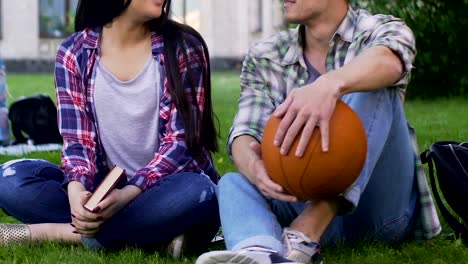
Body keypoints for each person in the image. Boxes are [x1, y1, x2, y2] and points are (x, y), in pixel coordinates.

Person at [196, 0, 441, 263]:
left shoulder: (380, 31)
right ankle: (260, 252)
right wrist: (253, 166)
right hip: (299, 201)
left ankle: (310, 228)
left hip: (379, 211)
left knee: (374, 85)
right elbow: (245, 132)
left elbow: (390, 62)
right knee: (234, 183)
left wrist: (330, 85)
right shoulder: (265, 55)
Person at [0, 0, 220, 258]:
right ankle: (152, 235)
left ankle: (56, 232)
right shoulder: (74, 52)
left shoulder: (183, 46)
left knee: (198, 190)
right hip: (103, 192)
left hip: (171, 186)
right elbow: (77, 143)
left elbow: (179, 144)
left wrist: (129, 193)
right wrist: (77, 194)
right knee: (9, 180)